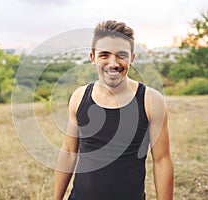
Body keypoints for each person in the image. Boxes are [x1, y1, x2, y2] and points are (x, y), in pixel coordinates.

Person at [53, 20, 174, 200]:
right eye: (104, 55)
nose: (113, 63)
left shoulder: (151, 101)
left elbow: (162, 161)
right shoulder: (79, 97)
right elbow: (69, 153)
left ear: (131, 59)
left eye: (121, 55)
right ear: (93, 58)